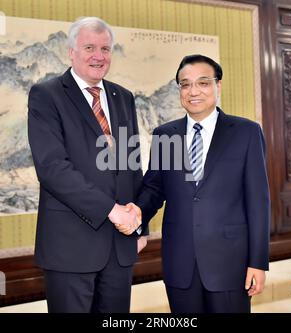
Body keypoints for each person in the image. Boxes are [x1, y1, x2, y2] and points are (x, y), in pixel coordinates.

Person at [122, 54, 270, 313]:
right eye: (185, 84)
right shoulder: (165, 135)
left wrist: (257, 262)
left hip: (230, 263)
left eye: (203, 83)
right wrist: (138, 212)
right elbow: (155, 188)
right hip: (180, 263)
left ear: (217, 86)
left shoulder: (246, 132)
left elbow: (258, 201)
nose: (193, 91)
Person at [28, 16, 147, 313]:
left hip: (120, 248)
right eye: (89, 47)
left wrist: (140, 224)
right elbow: (53, 168)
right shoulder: (47, 95)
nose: (99, 56)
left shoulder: (124, 98)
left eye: (105, 49)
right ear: (71, 52)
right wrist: (112, 210)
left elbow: (131, 166)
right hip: (69, 247)